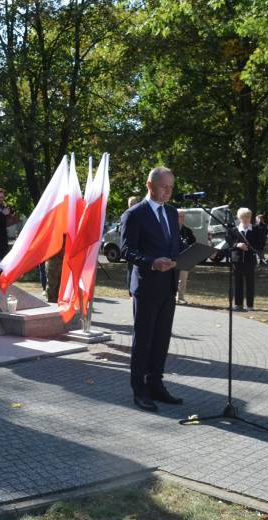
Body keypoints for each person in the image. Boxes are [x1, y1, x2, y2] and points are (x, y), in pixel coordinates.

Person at [120, 167, 183, 412]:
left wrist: (188, 255)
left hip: (168, 285)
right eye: (163, 186)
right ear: (150, 185)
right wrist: (152, 262)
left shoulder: (171, 212)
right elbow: (127, 250)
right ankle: (140, 390)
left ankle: (156, 384)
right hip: (146, 286)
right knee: (144, 340)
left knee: (161, 339)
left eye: (171, 187)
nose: (168, 191)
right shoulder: (134, 214)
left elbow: (173, 244)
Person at [230, 208, 264, 311]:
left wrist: (249, 247)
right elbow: (229, 243)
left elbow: (260, 243)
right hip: (237, 260)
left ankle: (250, 305)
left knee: (250, 283)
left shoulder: (256, 229)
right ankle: (238, 304)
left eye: (248, 217)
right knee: (238, 282)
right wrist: (237, 245)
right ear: (239, 217)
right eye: (243, 217)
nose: (246, 219)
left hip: (250, 259)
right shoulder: (234, 230)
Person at [176, 209, 196, 304]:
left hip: (184, 259)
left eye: (183, 216)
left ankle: (180, 297)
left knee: (182, 279)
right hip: (172, 258)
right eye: (180, 216)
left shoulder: (187, 230)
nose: (182, 218)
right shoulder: (170, 229)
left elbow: (193, 243)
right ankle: (171, 297)